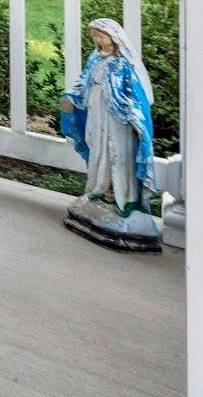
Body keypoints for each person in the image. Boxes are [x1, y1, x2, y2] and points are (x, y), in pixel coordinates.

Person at [57, 18, 162, 251]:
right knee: (98, 150)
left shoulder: (125, 64)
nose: (98, 40)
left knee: (117, 153)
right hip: (96, 111)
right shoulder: (95, 58)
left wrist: (134, 117)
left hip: (118, 119)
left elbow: (136, 95)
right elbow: (84, 83)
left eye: (101, 36)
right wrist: (71, 97)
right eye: (95, 36)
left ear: (114, 37)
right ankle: (100, 188)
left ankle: (121, 196)